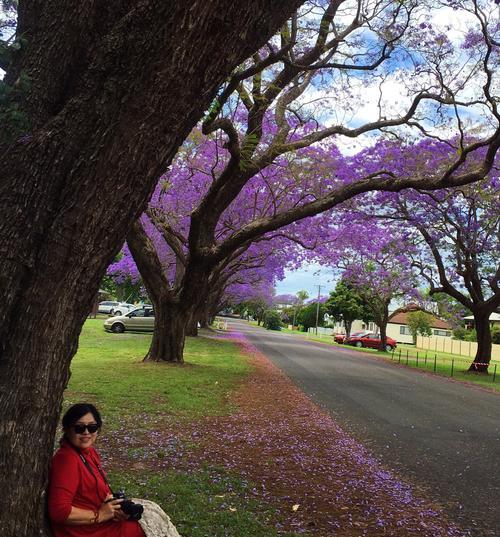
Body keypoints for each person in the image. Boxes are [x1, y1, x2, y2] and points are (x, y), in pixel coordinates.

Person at [48, 403, 146, 537]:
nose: (86, 432)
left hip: (96, 523)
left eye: (92, 427)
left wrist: (114, 509)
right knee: (142, 529)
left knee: (149, 517)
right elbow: (59, 512)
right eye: (79, 428)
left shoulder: (89, 453)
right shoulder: (66, 460)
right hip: (84, 531)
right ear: (67, 429)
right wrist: (99, 515)